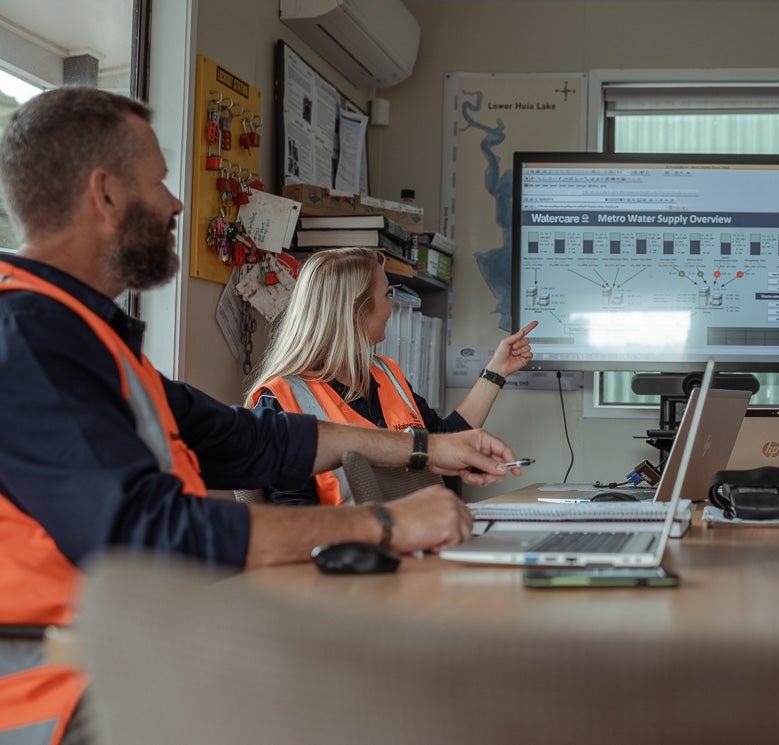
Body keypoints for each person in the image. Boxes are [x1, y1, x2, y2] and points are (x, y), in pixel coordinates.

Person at [0, 88, 517, 744]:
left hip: (133, 655)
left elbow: (251, 440)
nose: (176, 201)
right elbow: (143, 531)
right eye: (159, 181)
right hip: (60, 698)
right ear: (105, 195)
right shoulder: (26, 341)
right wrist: (383, 522)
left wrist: (424, 451)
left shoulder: (84, 334)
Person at [243, 247, 538, 505]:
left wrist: (496, 371)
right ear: (358, 311)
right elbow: (294, 519)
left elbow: (443, 442)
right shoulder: (280, 401)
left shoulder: (385, 373)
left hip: (423, 537)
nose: (392, 305)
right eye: (386, 294)